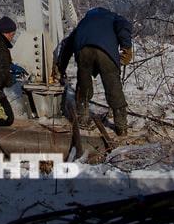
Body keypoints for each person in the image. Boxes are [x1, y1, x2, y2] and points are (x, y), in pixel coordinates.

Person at [54, 7, 134, 135]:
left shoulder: (85, 21)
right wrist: (127, 48)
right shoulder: (113, 17)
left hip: (83, 50)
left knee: (84, 84)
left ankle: (82, 118)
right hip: (106, 52)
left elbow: (68, 45)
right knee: (113, 86)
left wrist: (61, 68)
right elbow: (124, 27)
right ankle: (121, 126)